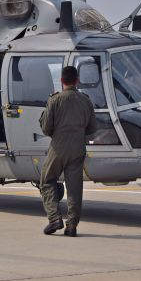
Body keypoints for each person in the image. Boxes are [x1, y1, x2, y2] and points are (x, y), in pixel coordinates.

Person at [39, 66, 97, 237]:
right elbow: (92, 128)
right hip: (78, 147)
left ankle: (54, 218)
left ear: (62, 81)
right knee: (74, 188)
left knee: (47, 180)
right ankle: (72, 225)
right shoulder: (85, 100)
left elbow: (46, 128)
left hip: (58, 146)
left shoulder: (55, 100)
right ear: (77, 81)